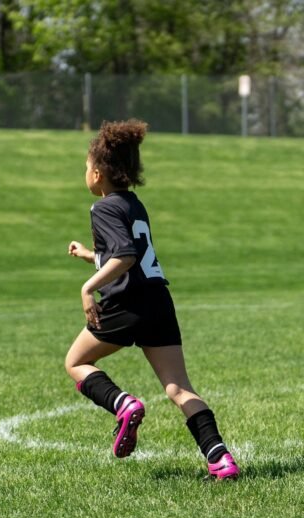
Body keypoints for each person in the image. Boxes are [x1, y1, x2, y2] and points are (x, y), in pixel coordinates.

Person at [64, 119, 239, 480]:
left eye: (85, 167)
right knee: (178, 388)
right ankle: (220, 459)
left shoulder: (102, 208)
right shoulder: (133, 204)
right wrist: (90, 256)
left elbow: (125, 256)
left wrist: (87, 288)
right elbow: (128, 254)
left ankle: (123, 404)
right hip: (158, 300)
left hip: (126, 303)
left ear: (97, 174)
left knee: (76, 362)